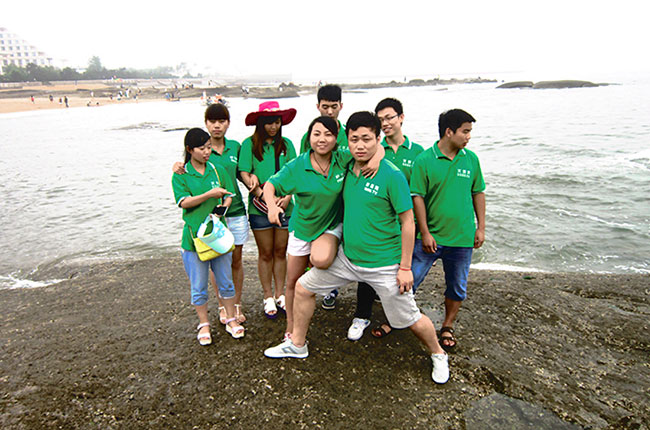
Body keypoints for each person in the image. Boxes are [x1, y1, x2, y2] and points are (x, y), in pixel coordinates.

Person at [264, 112, 450, 385]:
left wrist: (405, 267)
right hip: (347, 259)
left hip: (383, 264)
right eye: (354, 140)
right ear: (347, 142)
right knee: (303, 288)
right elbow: (284, 180)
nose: (360, 146)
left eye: (366, 139)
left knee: (410, 317)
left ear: (378, 139)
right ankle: (297, 344)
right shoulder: (346, 164)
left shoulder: (391, 175)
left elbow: (407, 222)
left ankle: (438, 353)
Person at [263, 116, 382, 341]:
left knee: (321, 259)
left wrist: (376, 160)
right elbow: (270, 185)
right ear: (309, 137)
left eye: (328, 134)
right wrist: (271, 207)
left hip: (330, 226)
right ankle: (291, 327)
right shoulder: (298, 166)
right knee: (293, 281)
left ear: (336, 139)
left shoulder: (341, 158)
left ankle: (322, 273)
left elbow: (376, 146)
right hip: (302, 228)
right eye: (316, 134)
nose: (322, 139)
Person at [408, 109, 485, 351]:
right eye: (465, 131)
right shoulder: (424, 160)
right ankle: (402, 317)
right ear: (449, 132)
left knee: (457, 286)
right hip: (430, 237)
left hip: (462, 237)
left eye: (470, 131)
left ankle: (447, 326)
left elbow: (478, 192)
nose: (468, 136)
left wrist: (481, 227)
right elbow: (417, 197)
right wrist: (425, 232)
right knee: (410, 280)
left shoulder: (470, 159)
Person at [348, 97, 424, 341]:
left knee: (402, 276)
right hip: (377, 223)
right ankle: (363, 315)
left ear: (401, 117)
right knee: (369, 273)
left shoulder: (416, 152)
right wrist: (376, 155)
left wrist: (425, 228)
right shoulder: (370, 148)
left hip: (404, 220)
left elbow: (421, 191)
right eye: (381, 119)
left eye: (389, 117)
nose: (386, 123)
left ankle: (398, 317)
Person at [173, 104, 250, 325]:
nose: (217, 125)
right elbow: (184, 191)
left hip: (233, 213)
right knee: (211, 264)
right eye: (212, 121)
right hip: (206, 223)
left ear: (229, 123)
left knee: (234, 260)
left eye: (222, 121)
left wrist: (258, 188)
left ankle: (235, 305)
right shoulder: (188, 166)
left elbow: (243, 173)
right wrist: (177, 166)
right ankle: (220, 309)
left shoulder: (235, 148)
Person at [239, 101, 297, 319]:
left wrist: (287, 197)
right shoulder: (249, 144)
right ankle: (267, 296)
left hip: (285, 206)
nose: (273, 127)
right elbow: (244, 173)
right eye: (269, 122)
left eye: (277, 122)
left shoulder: (287, 144)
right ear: (260, 123)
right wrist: (264, 196)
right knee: (265, 253)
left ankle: (280, 294)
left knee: (281, 251)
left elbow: (295, 173)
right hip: (259, 207)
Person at [298, 84, 347, 310]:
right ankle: (326, 289)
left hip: (346, 204)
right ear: (317, 106)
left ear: (341, 106)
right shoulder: (310, 136)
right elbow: (301, 170)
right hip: (318, 207)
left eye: (333, 107)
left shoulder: (348, 134)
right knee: (317, 253)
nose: (329, 111)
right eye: (325, 106)